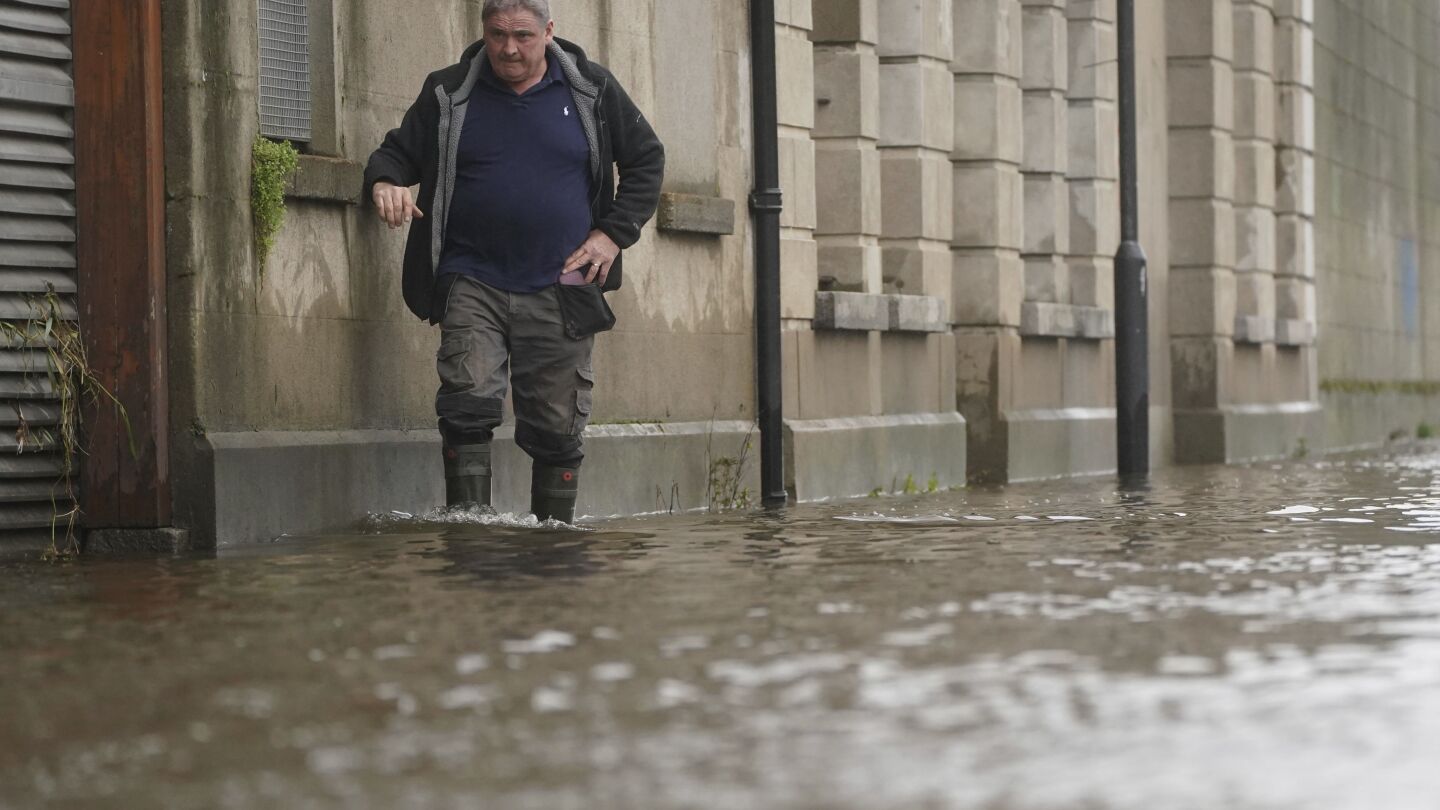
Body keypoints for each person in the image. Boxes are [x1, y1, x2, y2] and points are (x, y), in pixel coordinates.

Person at [363, 0, 664, 523]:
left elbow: (646, 160)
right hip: (471, 278)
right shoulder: (448, 91)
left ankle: (551, 544)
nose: (509, 48)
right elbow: (395, 153)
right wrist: (385, 181)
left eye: (523, 35)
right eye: (498, 34)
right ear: (483, 30)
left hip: (563, 283)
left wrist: (612, 236)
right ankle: (468, 532)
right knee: (467, 402)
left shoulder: (592, 90)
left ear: (549, 31)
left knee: (556, 427)